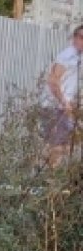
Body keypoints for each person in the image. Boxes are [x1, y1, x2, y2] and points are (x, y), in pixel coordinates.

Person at [42, 25, 83, 167]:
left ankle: (46, 169)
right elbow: (53, 81)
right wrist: (64, 102)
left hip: (65, 105)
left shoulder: (78, 57)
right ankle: (50, 178)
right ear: (74, 38)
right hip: (55, 105)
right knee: (57, 145)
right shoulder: (67, 56)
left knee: (67, 142)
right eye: (81, 37)